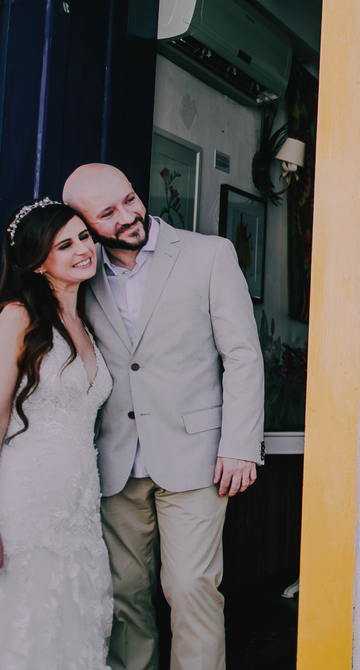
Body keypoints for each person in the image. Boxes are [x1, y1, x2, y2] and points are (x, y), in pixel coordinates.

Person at [63, 163, 264, 670]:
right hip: (114, 459)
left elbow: (242, 354)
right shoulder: (81, 273)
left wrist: (240, 444)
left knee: (191, 586)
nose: (129, 216)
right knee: (124, 595)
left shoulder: (209, 255)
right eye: (108, 213)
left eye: (129, 198)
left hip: (196, 454)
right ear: (84, 224)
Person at [0, 199, 112, 669]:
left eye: (84, 237)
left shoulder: (86, 323)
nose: (82, 250)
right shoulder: (18, 318)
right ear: (36, 262)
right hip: (22, 504)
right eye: (64, 245)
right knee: (10, 633)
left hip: (77, 511)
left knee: (63, 633)